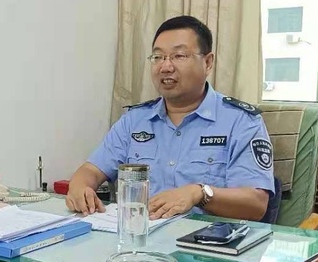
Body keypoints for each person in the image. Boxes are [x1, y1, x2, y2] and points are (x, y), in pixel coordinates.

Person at [66, 15, 274, 222]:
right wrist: (80, 187)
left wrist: (200, 193)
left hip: (203, 240)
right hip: (138, 234)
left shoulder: (241, 121)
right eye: (158, 57)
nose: (165, 67)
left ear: (208, 62)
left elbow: (256, 205)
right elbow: (91, 170)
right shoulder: (134, 121)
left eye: (179, 56)